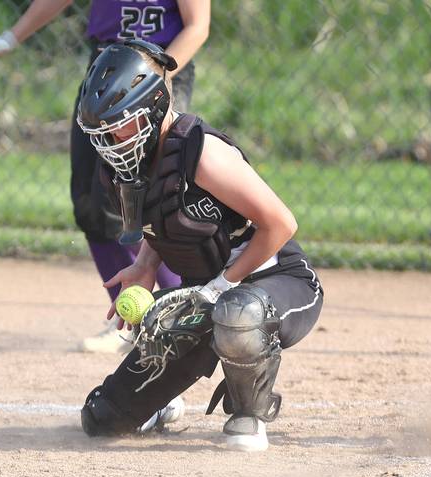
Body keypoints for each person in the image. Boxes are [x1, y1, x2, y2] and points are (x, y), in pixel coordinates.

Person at [75, 39, 324, 452]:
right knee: (103, 419)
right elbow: (164, 220)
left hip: (278, 280)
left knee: (239, 313)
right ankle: (162, 404)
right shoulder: (126, 166)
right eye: (100, 133)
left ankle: (248, 415)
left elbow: (281, 225)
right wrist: (145, 266)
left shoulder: (202, 153)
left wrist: (219, 286)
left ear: (153, 108)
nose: (108, 143)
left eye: (117, 126)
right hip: (211, 293)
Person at [0, 0, 211, 353]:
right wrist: (12, 36)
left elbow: (197, 26)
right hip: (106, 68)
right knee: (92, 203)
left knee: (157, 201)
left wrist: (152, 79)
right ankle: (131, 321)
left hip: (160, 68)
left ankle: (186, 314)